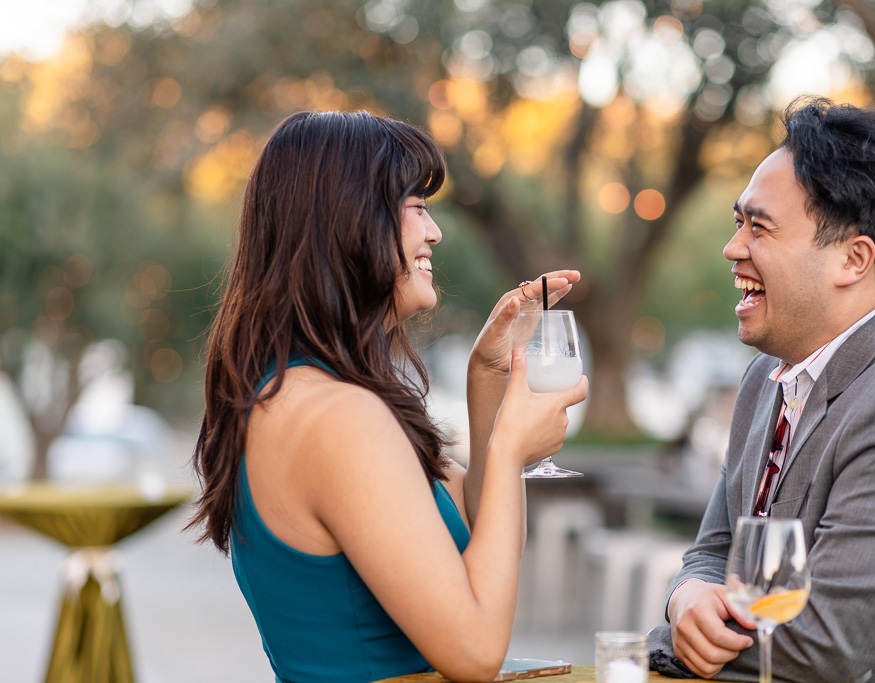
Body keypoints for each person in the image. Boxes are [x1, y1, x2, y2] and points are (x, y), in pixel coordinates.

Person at [186, 110, 588, 683]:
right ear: (351, 220)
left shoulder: (301, 392)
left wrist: (486, 379)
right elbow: (475, 652)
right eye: (417, 207)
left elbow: (478, 537)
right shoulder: (338, 417)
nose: (435, 232)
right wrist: (506, 450)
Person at [653, 98, 875, 682]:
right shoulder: (767, 377)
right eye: (737, 221)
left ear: (853, 259)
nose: (733, 247)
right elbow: (713, 553)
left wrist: (662, 639)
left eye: (760, 226)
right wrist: (685, 599)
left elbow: (824, 645)